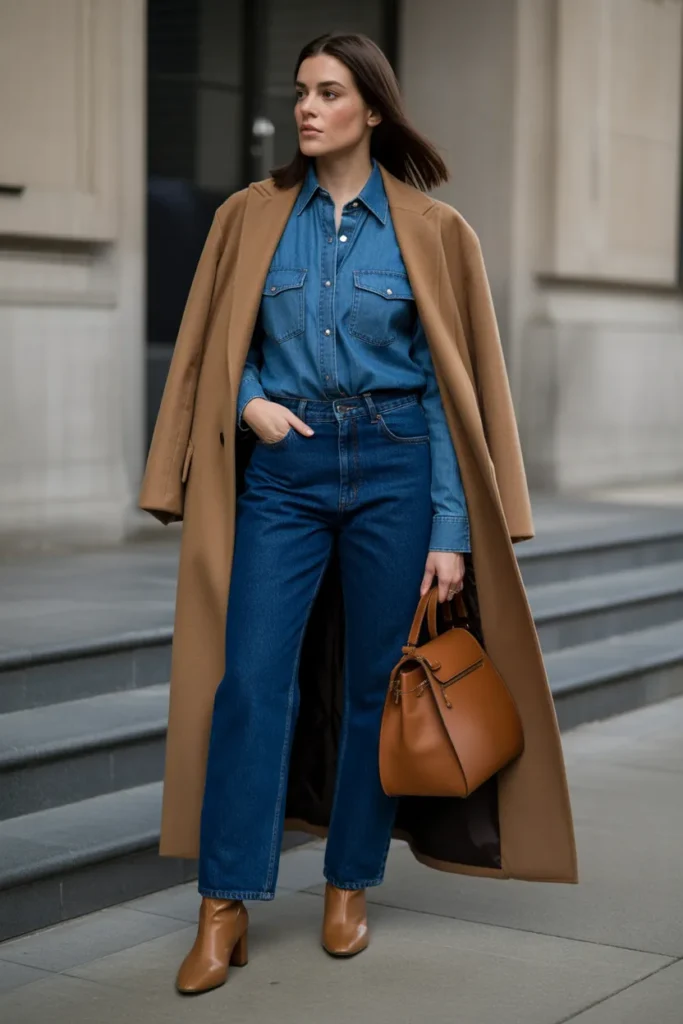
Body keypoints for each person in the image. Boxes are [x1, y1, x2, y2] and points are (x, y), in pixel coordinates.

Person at [139, 31, 577, 1000]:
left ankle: (348, 882)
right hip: (286, 473)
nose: (305, 106)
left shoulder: (430, 227)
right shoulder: (252, 217)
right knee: (251, 684)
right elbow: (220, 335)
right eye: (299, 90)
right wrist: (249, 397)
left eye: (327, 92)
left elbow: (443, 397)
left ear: (371, 110)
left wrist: (450, 530)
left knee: (377, 689)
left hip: (393, 466)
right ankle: (225, 906)